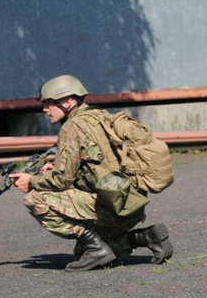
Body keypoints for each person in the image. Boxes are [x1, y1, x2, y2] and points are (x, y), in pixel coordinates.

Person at [10, 75, 173, 272]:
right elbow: (98, 163)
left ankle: (97, 248)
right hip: (130, 205)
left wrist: (32, 181)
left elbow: (61, 181)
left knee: (36, 199)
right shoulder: (99, 116)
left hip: (110, 209)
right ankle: (146, 236)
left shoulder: (72, 127)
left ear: (68, 101)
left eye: (49, 104)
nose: (45, 109)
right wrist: (56, 167)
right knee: (85, 253)